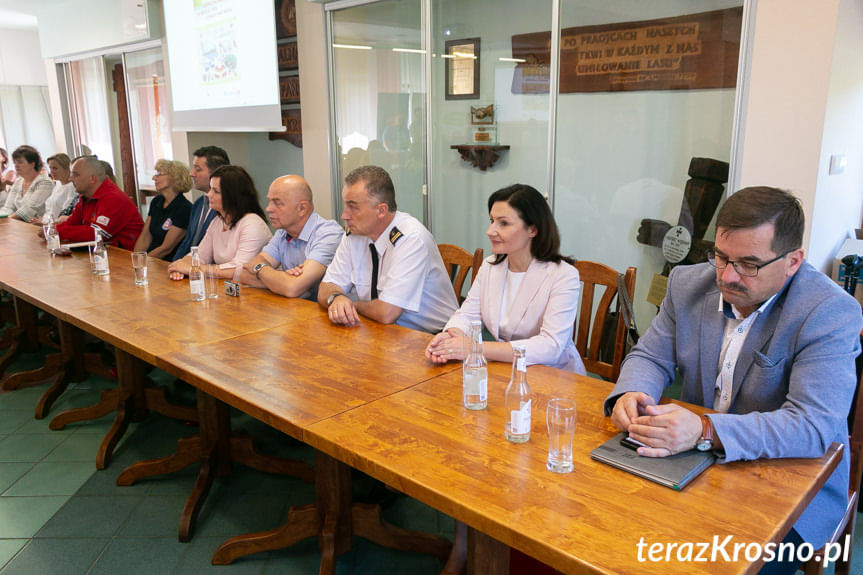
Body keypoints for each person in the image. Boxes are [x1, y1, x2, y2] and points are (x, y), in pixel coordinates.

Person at [604, 187, 862, 571]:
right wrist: (633, 392)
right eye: (722, 257)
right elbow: (650, 355)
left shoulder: (828, 311)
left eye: (749, 264)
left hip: (790, 485)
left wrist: (705, 430)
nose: (727, 275)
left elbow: (813, 425)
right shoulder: (688, 284)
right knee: (609, 531)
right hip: (692, 464)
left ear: (793, 261)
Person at [425, 184, 584, 373]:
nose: (490, 230)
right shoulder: (491, 266)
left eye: (503, 223)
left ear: (533, 229)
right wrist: (451, 337)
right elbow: (467, 315)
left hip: (552, 374)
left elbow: (550, 347)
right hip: (505, 369)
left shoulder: (563, 275)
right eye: (491, 221)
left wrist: (473, 348)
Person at [317, 165, 458, 333]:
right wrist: (336, 298)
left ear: (381, 210)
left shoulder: (410, 238)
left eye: (353, 207)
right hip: (377, 330)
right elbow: (326, 287)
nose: (344, 215)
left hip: (430, 338)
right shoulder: (354, 235)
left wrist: (349, 304)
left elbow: (386, 313)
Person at [239, 175, 343, 300]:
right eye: (269, 201)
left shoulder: (328, 234)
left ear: (302, 208)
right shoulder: (283, 232)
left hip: (325, 315)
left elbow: (292, 288)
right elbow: (244, 274)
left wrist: (260, 270)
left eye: (277, 203)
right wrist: (282, 280)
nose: (268, 209)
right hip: (296, 311)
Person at [167, 165, 271, 282]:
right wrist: (181, 266)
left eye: (216, 191)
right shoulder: (218, 221)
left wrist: (192, 268)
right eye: (210, 189)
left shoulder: (252, 224)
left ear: (233, 196)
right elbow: (200, 256)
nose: (208, 195)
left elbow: (240, 269)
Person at [55, 156, 143, 249]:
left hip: (125, 258)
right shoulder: (85, 196)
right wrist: (53, 229)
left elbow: (96, 234)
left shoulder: (113, 198)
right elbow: (72, 222)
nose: (70, 179)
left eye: (76, 175)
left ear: (92, 179)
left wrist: (57, 231)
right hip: (102, 253)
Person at [171, 145, 230, 261]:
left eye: (198, 169)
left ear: (216, 173)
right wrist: (175, 265)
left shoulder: (226, 207)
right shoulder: (198, 204)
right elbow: (187, 242)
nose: (191, 173)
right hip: (190, 268)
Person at [133, 159, 193, 260]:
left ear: (174, 178)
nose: (153, 178)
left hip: (168, 263)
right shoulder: (157, 201)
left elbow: (166, 248)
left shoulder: (184, 208)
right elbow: (145, 236)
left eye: (158, 174)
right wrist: (135, 259)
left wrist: (143, 262)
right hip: (149, 259)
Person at [0, 145, 53, 221]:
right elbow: (8, 207)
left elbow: (28, 210)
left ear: (32, 164)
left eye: (20, 162)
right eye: (15, 163)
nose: (16, 166)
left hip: (37, 226)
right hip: (18, 224)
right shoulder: (19, 181)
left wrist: (8, 219)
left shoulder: (44, 182)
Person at [38, 153, 76, 224]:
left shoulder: (72, 188)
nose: (51, 171)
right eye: (50, 168)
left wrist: (45, 222)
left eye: (55, 168)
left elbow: (64, 214)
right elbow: (50, 211)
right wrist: (43, 220)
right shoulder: (58, 185)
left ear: (67, 168)